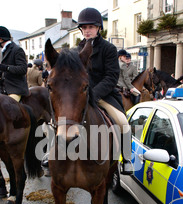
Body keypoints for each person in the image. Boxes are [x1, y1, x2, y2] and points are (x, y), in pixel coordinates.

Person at [43, 7, 133, 175]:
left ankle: (126, 159)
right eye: (84, 27)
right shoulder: (75, 51)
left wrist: (94, 93)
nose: (87, 30)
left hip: (103, 95)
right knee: (55, 120)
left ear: (99, 28)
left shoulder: (109, 49)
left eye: (91, 27)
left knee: (123, 121)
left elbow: (111, 77)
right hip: (80, 95)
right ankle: (50, 152)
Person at [0, 26, 28, 102]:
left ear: (1, 39)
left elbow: (23, 69)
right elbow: (6, 71)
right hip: (4, 87)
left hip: (16, 89)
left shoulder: (17, 50)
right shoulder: (2, 51)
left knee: (10, 107)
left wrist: (6, 68)